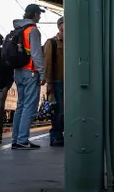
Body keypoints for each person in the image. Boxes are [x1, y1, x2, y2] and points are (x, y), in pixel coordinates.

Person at [10, 4, 45, 149]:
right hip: (30, 72)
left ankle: (16, 139)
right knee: (29, 106)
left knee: (20, 106)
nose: (40, 17)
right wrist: (42, 73)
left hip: (18, 72)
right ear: (35, 14)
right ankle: (22, 139)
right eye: (39, 14)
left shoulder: (19, 29)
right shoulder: (33, 31)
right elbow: (36, 54)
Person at [43, 17, 65, 146]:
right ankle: (55, 135)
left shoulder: (73, 43)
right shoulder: (52, 43)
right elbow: (48, 63)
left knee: (67, 111)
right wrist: (49, 83)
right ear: (60, 26)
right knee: (58, 111)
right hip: (57, 82)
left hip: (71, 84)